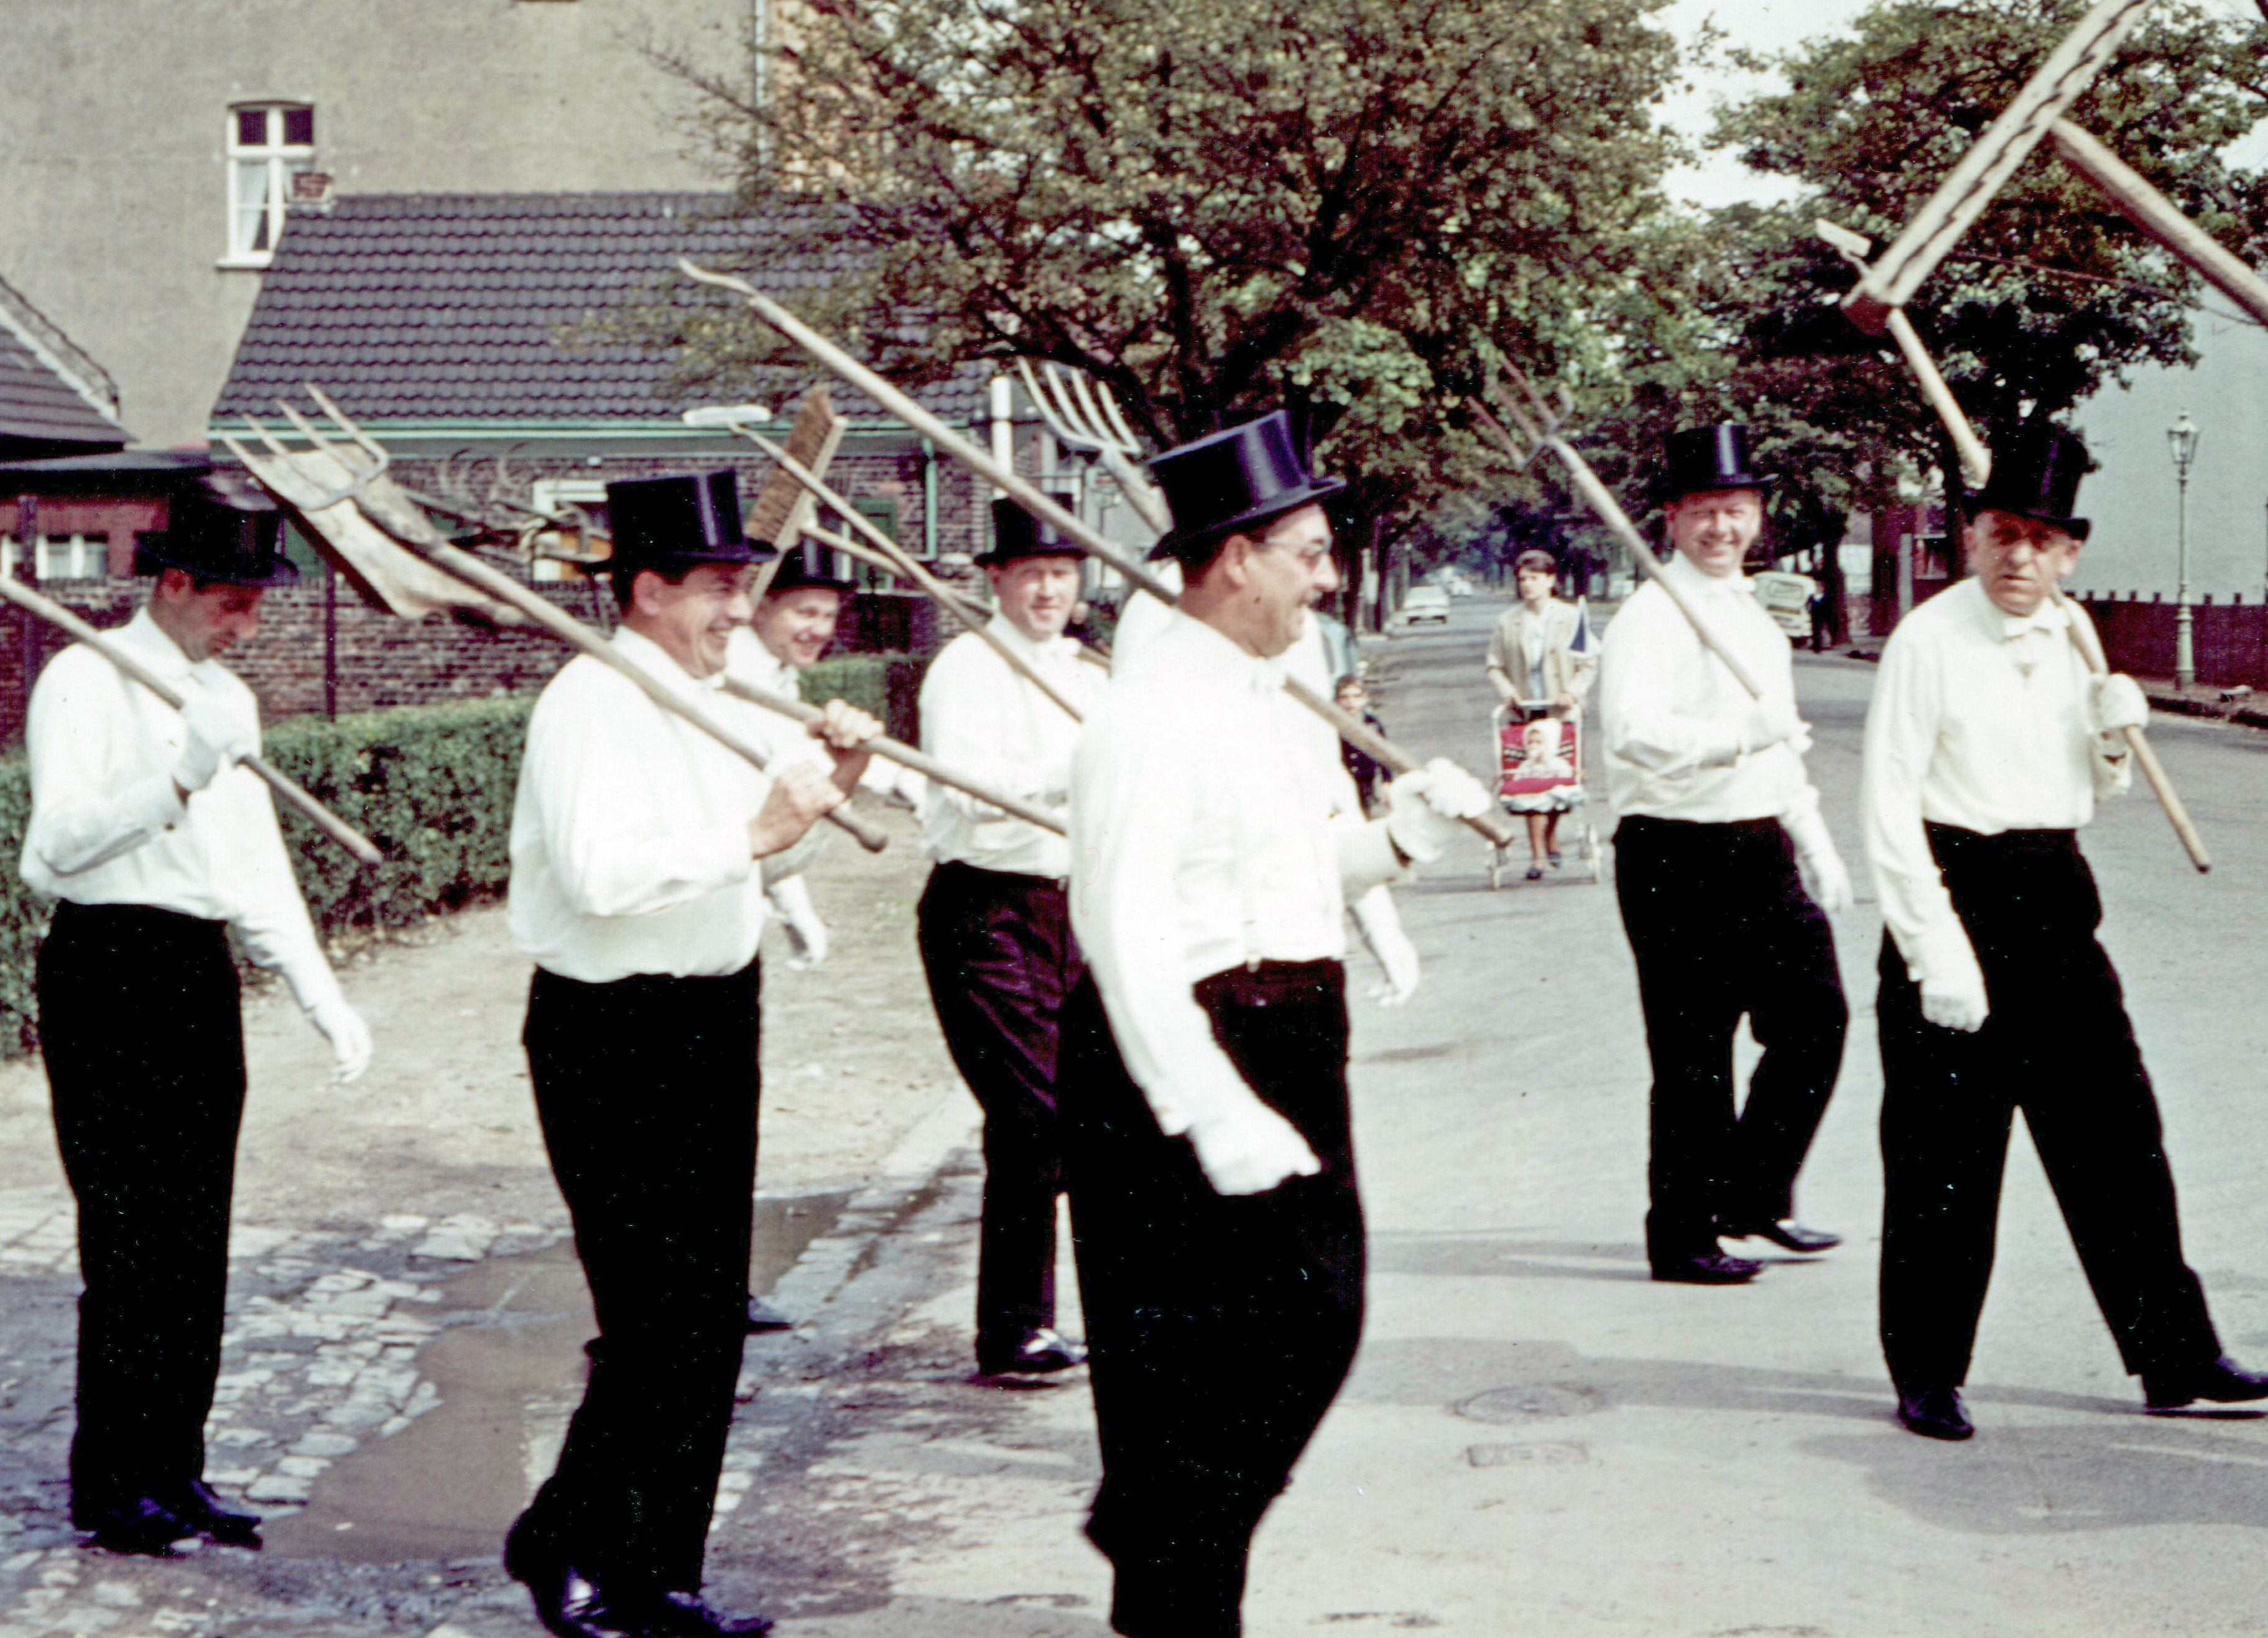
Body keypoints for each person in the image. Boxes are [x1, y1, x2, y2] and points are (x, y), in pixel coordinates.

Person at [1063, 410, 1489, 1637]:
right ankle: (1170, 1585)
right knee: (1197, 1362)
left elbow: (1294, 876)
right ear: (1234, 558)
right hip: (1187, 1041)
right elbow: (1124, 930)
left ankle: (1155, 1531)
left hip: (1293, 1023)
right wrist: (1208, 1109)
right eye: (1306, 550)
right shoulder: (1145, 718)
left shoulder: (1269, 693)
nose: (1328, 573)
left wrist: (1398, 834)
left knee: (1313, 1319)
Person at [501, 470, 879, 1638]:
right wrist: (757, 826)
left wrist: (821, 798)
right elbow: (603, 877)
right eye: (717, 587)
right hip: (614, 1030)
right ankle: (567, 1540)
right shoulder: (589, 701)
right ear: (648, 588)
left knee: (709, 1313)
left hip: (718, 1013)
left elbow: (741, 868)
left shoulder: (722, 699)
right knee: (654, 1312)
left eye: (740, 586)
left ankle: (659, 1566)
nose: (736, 608)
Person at [1861, 425, 2268, 1441]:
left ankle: (2173, 1354)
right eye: (2000, 533)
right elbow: (1886, 810)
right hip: (1952, 897)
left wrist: (2105, 730)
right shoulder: (1925, 641)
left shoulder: (2072, 632)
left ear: (2069, 551)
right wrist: (1936, 953)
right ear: (1969, 535)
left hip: (2053, 902)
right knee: (1944, 1164)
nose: (2018, 557)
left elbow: (2091, 789)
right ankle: (1927, 1370)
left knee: (2117, 1142)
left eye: (2040, 540)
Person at [23, 478, 373, 1555]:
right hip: (107, 963)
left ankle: (175, 1466)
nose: (248, 623)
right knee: (129, 1237)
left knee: (196, 1236)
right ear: (173, 583)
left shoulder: (226, 697)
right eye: (232, 601)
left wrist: (321, 992)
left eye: (257, 603)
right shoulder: (84, 677)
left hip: (192, 969)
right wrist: (175, 774)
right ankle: (112, 1480)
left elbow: (253, 865)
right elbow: (53, 853)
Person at [1598, 423, 1853, 1286]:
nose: (1720, 529)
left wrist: (1811, 837)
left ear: (1757, 516)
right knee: (1693, 1056)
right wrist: (1733, 736)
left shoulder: (1753, 613)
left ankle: (1749, 1194)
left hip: (1759, 842)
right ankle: (1680, 1235)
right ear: (1669, 518)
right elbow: (1630, 733)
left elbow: (1781, 748)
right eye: (1703, 512)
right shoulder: (1648, 615)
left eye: (1735, 511)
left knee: (1814, 1020)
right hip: (1673, 851)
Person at [914, 496, 1105, 1379]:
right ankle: (1015, 1326)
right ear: (995, 577)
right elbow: (964, 787)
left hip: (1071, 908)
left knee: (1083, 1117)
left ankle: (1040, 1323)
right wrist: (1068, 772)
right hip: (982, 910)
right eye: (1029, 572)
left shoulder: (1092, 676)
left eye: (1061, 573)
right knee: (1034, 1115)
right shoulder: (967, 667)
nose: (1046, 590)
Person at [1487, 548, 1596, 878]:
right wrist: (1509, 693)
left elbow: (1588, 664)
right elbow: (1494, 666)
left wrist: (1571, 693)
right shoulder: (1508, 622)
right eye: (1522, 579)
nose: (1527, 585)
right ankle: (1537, 856)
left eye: (1534, 578)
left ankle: (1550, 835)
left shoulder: (1572, 617)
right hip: (1525, 712)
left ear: (1551, 580)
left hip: (1559, 710)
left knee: (1558, 775)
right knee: (1530, 780)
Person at [1333, 673, 1389, 813]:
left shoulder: (1371, 723)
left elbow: (1384, 754)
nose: (1350, 702)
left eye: (1356, 697)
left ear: (1365, 699)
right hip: (1342, 779)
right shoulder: (1332, 725)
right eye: (1345, 697)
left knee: (1366, 813)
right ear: (1336, 701)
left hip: (1365, 778)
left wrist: (1386, 782)